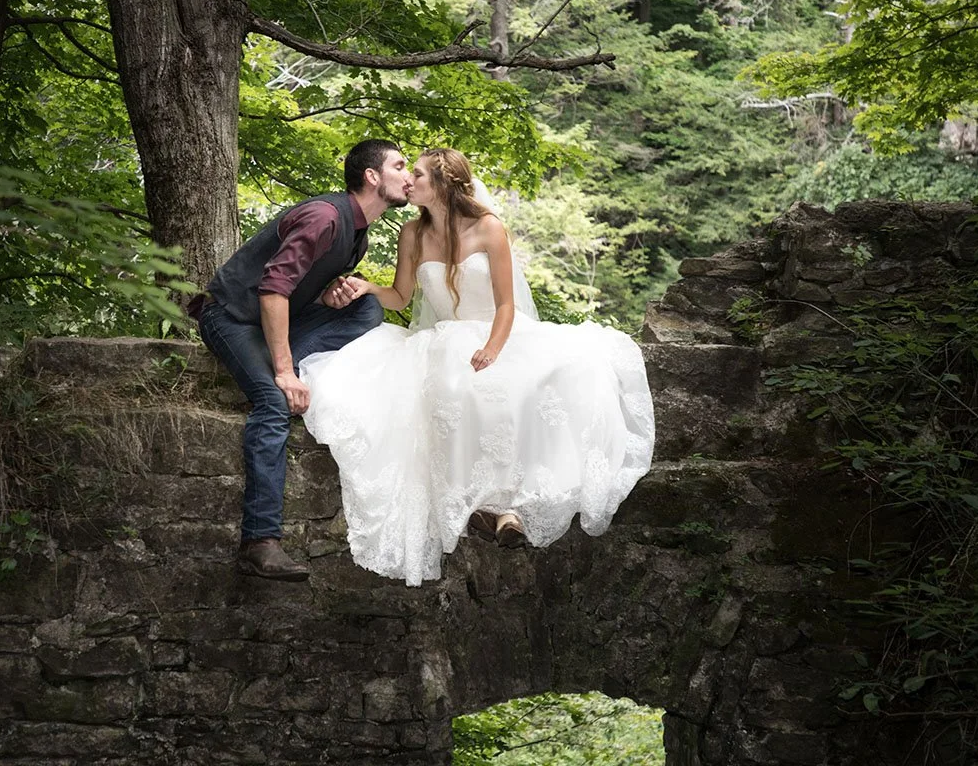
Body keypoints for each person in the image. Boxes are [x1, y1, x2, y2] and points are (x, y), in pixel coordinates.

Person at [299, 148, 655, 587]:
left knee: (525, 384)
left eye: (419, 174)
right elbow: (401, 297)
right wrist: (366, 288)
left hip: (498, 333)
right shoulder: (412, 233)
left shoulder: (489, 228)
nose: (411, 181)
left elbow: (507, 304)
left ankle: (509, 509)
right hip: (445, 338)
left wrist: (492, 346)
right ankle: (484, 507)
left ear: (443, 183)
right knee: (450, 388)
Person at [192, 139, 412, 582]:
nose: (409, 176)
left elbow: (301, 288)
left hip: (276, 321)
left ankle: (283, 366)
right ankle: (260, 543)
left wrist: (331, 294)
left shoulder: (358, 234)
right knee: (274, 404)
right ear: (373, 176)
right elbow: (272, 289)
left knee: (366, 306)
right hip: (231, 317)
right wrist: (284, 371)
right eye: (400, 165)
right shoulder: (325, 217)